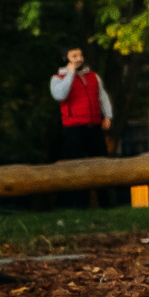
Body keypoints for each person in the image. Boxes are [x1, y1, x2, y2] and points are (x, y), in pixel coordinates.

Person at [48, 48, 112, 206]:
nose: (79, 59)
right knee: (76, 166)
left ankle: (105, 203)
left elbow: (102, 96)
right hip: (74, 129)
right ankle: (78, 204)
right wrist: (70, 74)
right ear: (66, 59)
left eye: (80, 55)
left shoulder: (93, 76)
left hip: (94, 126)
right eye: (74, 56)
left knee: (101, 163)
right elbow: (60, 95)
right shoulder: (58, 78)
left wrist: (107, 115)